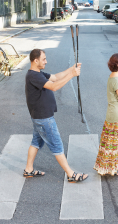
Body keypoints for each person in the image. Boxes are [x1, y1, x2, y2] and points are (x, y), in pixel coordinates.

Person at [23, 49, 88, 183]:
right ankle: (70, 174)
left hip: (39, 116)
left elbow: (56, 77)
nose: (46, 61)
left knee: (36, 142)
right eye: (44, 59)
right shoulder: (33, 76)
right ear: (36, 61)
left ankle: (28, 169)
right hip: (43, 117)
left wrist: (71, 69)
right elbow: (53, 86)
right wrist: (72, 76)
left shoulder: (38, 73)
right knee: (57, 145)